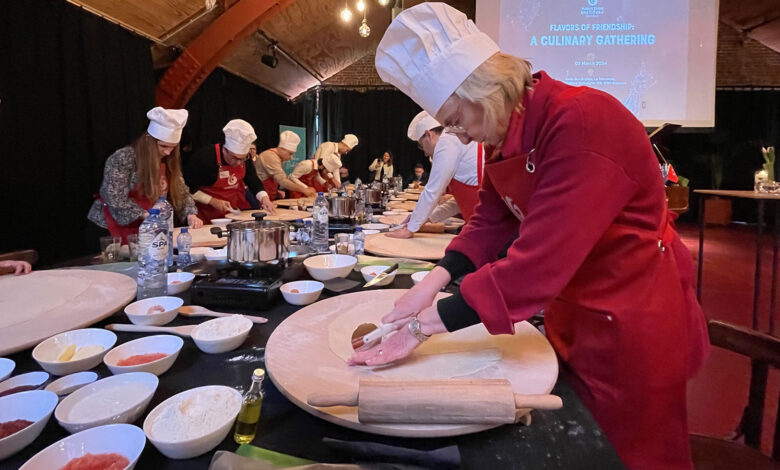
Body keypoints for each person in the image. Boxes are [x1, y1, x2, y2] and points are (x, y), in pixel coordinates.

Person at [353, 4, 709, 470]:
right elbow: (491, 220)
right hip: (574, 310)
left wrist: (422, 329)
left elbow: (537, 265)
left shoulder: (581, 121)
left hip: (632, 321)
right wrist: (434, 280)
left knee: (626, 455)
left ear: (480, 89)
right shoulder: (506, 129)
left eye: (456, 120)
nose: (458, 137)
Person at [88, 107, 203, 243]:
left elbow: (181, 192)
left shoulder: (169, 161)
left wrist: (190, 214)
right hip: (111, 230)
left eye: (173, 147)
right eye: (163, 146)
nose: (168, 152)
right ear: (149, 141)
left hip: (147, 227)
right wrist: (144, 214)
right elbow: (114, 197)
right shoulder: (124, 157)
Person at [389, 111, 483, 239]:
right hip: (481, 224)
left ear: (429, 134)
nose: (426, 154)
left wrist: (410, 228)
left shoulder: (447, 141)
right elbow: (457, 203)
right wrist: (426, 218)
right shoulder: (453, 140)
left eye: (423, 147)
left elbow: (432, 191)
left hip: (489, 226)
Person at [183, 119, 274, 223]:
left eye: (243, 158)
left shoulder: (246, 159)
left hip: (230, 215)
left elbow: (253, 181)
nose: (239, 163)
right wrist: (212, 201)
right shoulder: (204, 158)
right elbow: (186, 189)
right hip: (203, 217)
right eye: (235, 158)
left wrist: (264, 198)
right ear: (225, 149)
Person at [255, 131, 313, 200]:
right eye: (290, 153)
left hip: (269, 196)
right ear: (282, 148)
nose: (291, 157)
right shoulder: (270, 156)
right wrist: (303, 189)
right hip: (260, 197)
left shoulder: (277, 157)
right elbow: (282, 181)